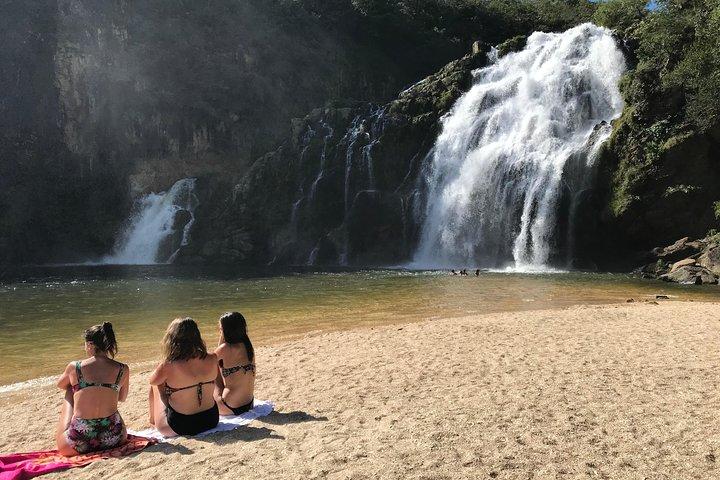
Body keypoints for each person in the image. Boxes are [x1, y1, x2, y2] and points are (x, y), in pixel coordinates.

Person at [56, 322, 129, 456]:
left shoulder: (75, 367)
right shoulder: (123, 369)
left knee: (70, 389)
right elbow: (122, 398)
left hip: (77, 443)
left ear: (90, 344)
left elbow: (60, 384)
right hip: (115, 438)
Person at [148, 317, 219, 436]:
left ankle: (152, 420)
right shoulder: (212, 358)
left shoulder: (168, 365)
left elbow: (152, 381)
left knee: (156, 384)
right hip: (211, 420)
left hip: (181, 425)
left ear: (172, 339)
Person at [214, 312, 256, 415]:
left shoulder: (225, 348)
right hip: (249, 403)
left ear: (226, 330)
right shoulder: (248, 346)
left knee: (212, 369)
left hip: (229, 405)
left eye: (221, 329)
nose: (220, 331)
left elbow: (207, 362)